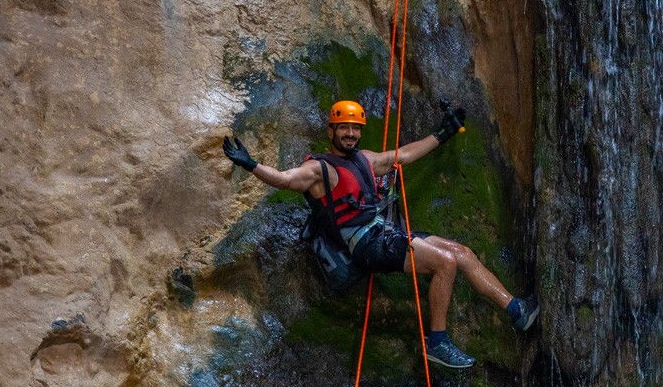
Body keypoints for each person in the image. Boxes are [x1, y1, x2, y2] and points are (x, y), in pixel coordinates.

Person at [221, 99, 539, 369]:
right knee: (445, 262)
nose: (350, 133)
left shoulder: (365, 159)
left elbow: (404, 155)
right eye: (343, 128)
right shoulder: (319, 169)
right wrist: (251, 165)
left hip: (383, 233)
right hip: (366, 244)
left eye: (355, 128)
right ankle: (437, 343)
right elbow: (284, 179)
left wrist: (444, 132)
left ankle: (517, 311)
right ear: (330, 131)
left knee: (462, 253)